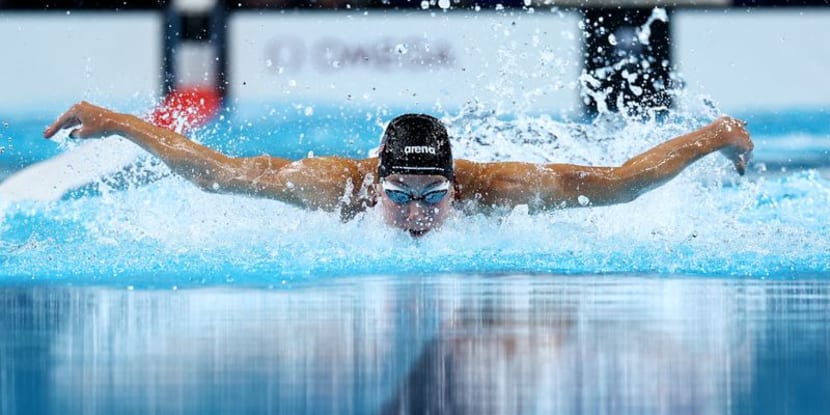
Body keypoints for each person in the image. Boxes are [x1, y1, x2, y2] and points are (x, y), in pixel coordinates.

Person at [44, 101, 753, 237]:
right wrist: (120, 123)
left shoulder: (496, 188)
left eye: (432, 193)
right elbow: (215, 172)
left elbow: (620, 183)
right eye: (402, 192)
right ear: (375, 179)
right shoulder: (331, 187)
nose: (417, 211)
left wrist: (715, 136)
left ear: (456, 182)